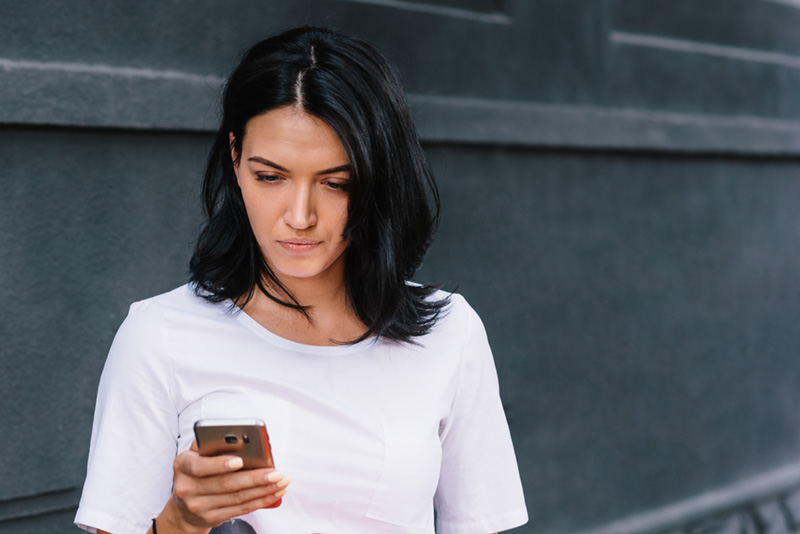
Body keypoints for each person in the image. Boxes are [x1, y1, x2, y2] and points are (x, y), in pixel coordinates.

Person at [75, 26, 527, 534]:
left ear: (377, 179)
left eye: (336, 183)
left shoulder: (449, 334)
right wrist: (183, 519)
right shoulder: (160, 335)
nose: (299, 216)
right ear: (235, 157)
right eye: (270, 177)